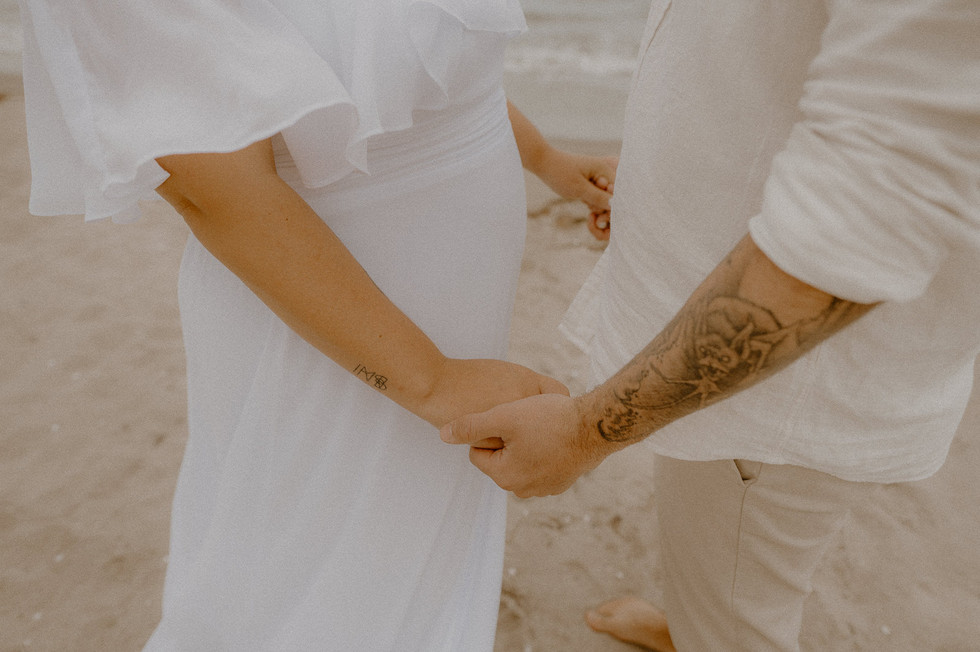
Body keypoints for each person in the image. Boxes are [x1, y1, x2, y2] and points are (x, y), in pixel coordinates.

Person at [16, 1, 614, 649]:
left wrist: (544, 157)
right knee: (307, 582)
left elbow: (414, 64)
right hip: (324, 327)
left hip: (444, 340)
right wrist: (432, 380)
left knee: (411, 558)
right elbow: (214, 185)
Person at [442, 1, 980, 650]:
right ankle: (697, 618)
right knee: (718, 543)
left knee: (739, 605)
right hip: (709, 345)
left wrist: (588, 432)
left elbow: (859, 229)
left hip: (775, 388)